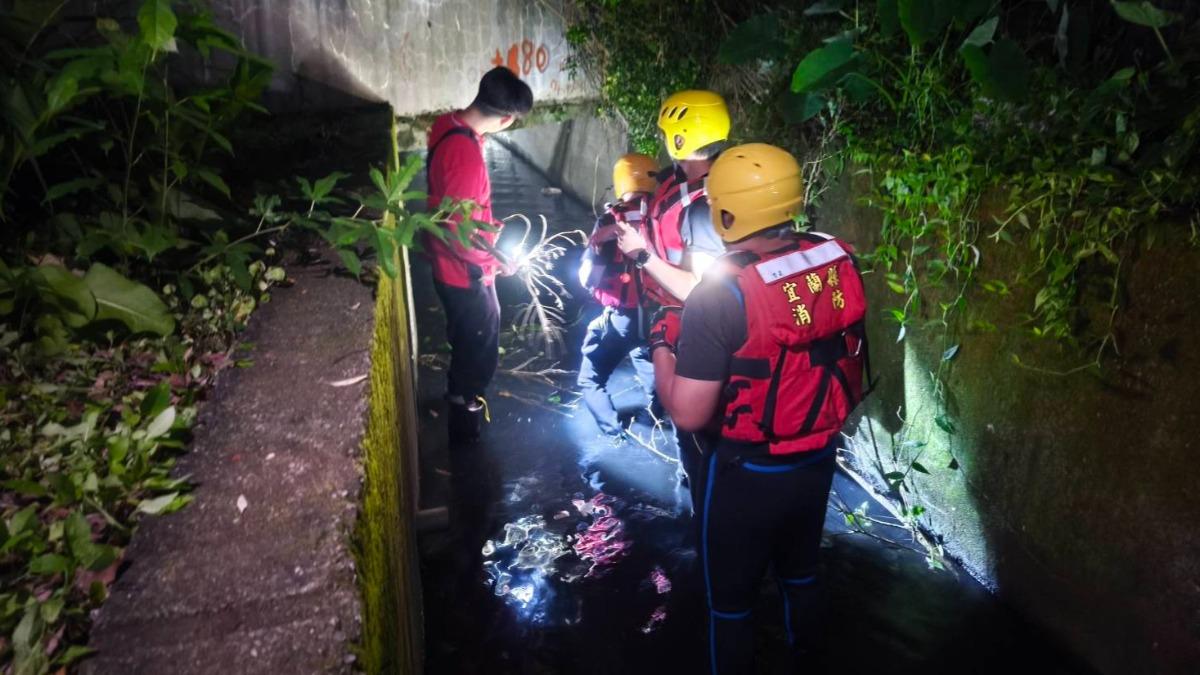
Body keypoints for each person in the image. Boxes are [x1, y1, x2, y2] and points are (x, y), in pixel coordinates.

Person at [649, 143, 868, 674]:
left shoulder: (720, 294)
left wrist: (661, 343)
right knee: (801, 574)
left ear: (725, 213)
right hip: (817, 460)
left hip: (747, 474)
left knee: (730, 606)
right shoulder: (836, 258)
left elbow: (688, 414)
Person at [615, 89, 731, 503]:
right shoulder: (715, 178)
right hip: (694, 326)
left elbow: (700, 290)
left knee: (697, 438)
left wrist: (641, 254)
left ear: (679, 138)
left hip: (694, 331)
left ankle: (705, 516)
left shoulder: (703, 206)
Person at [424, 66, 533, 444]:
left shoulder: (447, 126)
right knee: (479, 348)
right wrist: (496, 262)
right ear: (505, 117)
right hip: (463, 274)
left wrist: (492, 242)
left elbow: (459, 213)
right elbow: (461, 235)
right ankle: (463, 420)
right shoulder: (465, 155)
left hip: (449, 265)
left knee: (468, 340)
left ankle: (460, 397)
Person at [576, 153, 660, 438]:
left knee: (590, 379)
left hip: (621, 320)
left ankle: (614, 434)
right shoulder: (664, 214)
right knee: (649, 359)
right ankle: (659, 419)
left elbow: (587, 278)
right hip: (659, 318)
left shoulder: (608, 221)